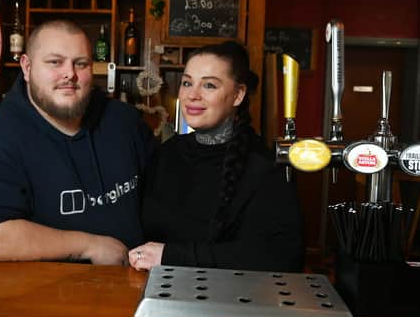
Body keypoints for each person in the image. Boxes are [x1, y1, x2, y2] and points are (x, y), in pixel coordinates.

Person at [0, 20, 155, 264]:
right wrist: (90, 245)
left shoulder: (125, 122)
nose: (69, 74)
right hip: (44, 294)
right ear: (27, 68)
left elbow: (162, 199)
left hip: (133, 286)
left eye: (80, 64)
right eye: (55, 62)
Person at [129, 41, 303, 272]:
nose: (192, 95)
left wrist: (173, 256)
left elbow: (281, 256)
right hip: (154, 294)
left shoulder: (266, 166)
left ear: (238, 95)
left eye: (209, 85)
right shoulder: (165, 154)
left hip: (231, 301)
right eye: (187, 83)